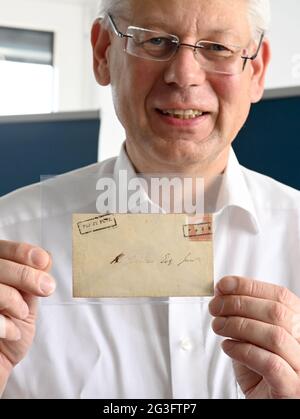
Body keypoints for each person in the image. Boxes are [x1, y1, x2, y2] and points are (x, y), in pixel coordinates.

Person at [0, 0, 300, 399]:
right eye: (156, 40)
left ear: (256, 70)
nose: (184, 76)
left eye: (218, 48)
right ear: (104, 52)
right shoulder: (9, 237)